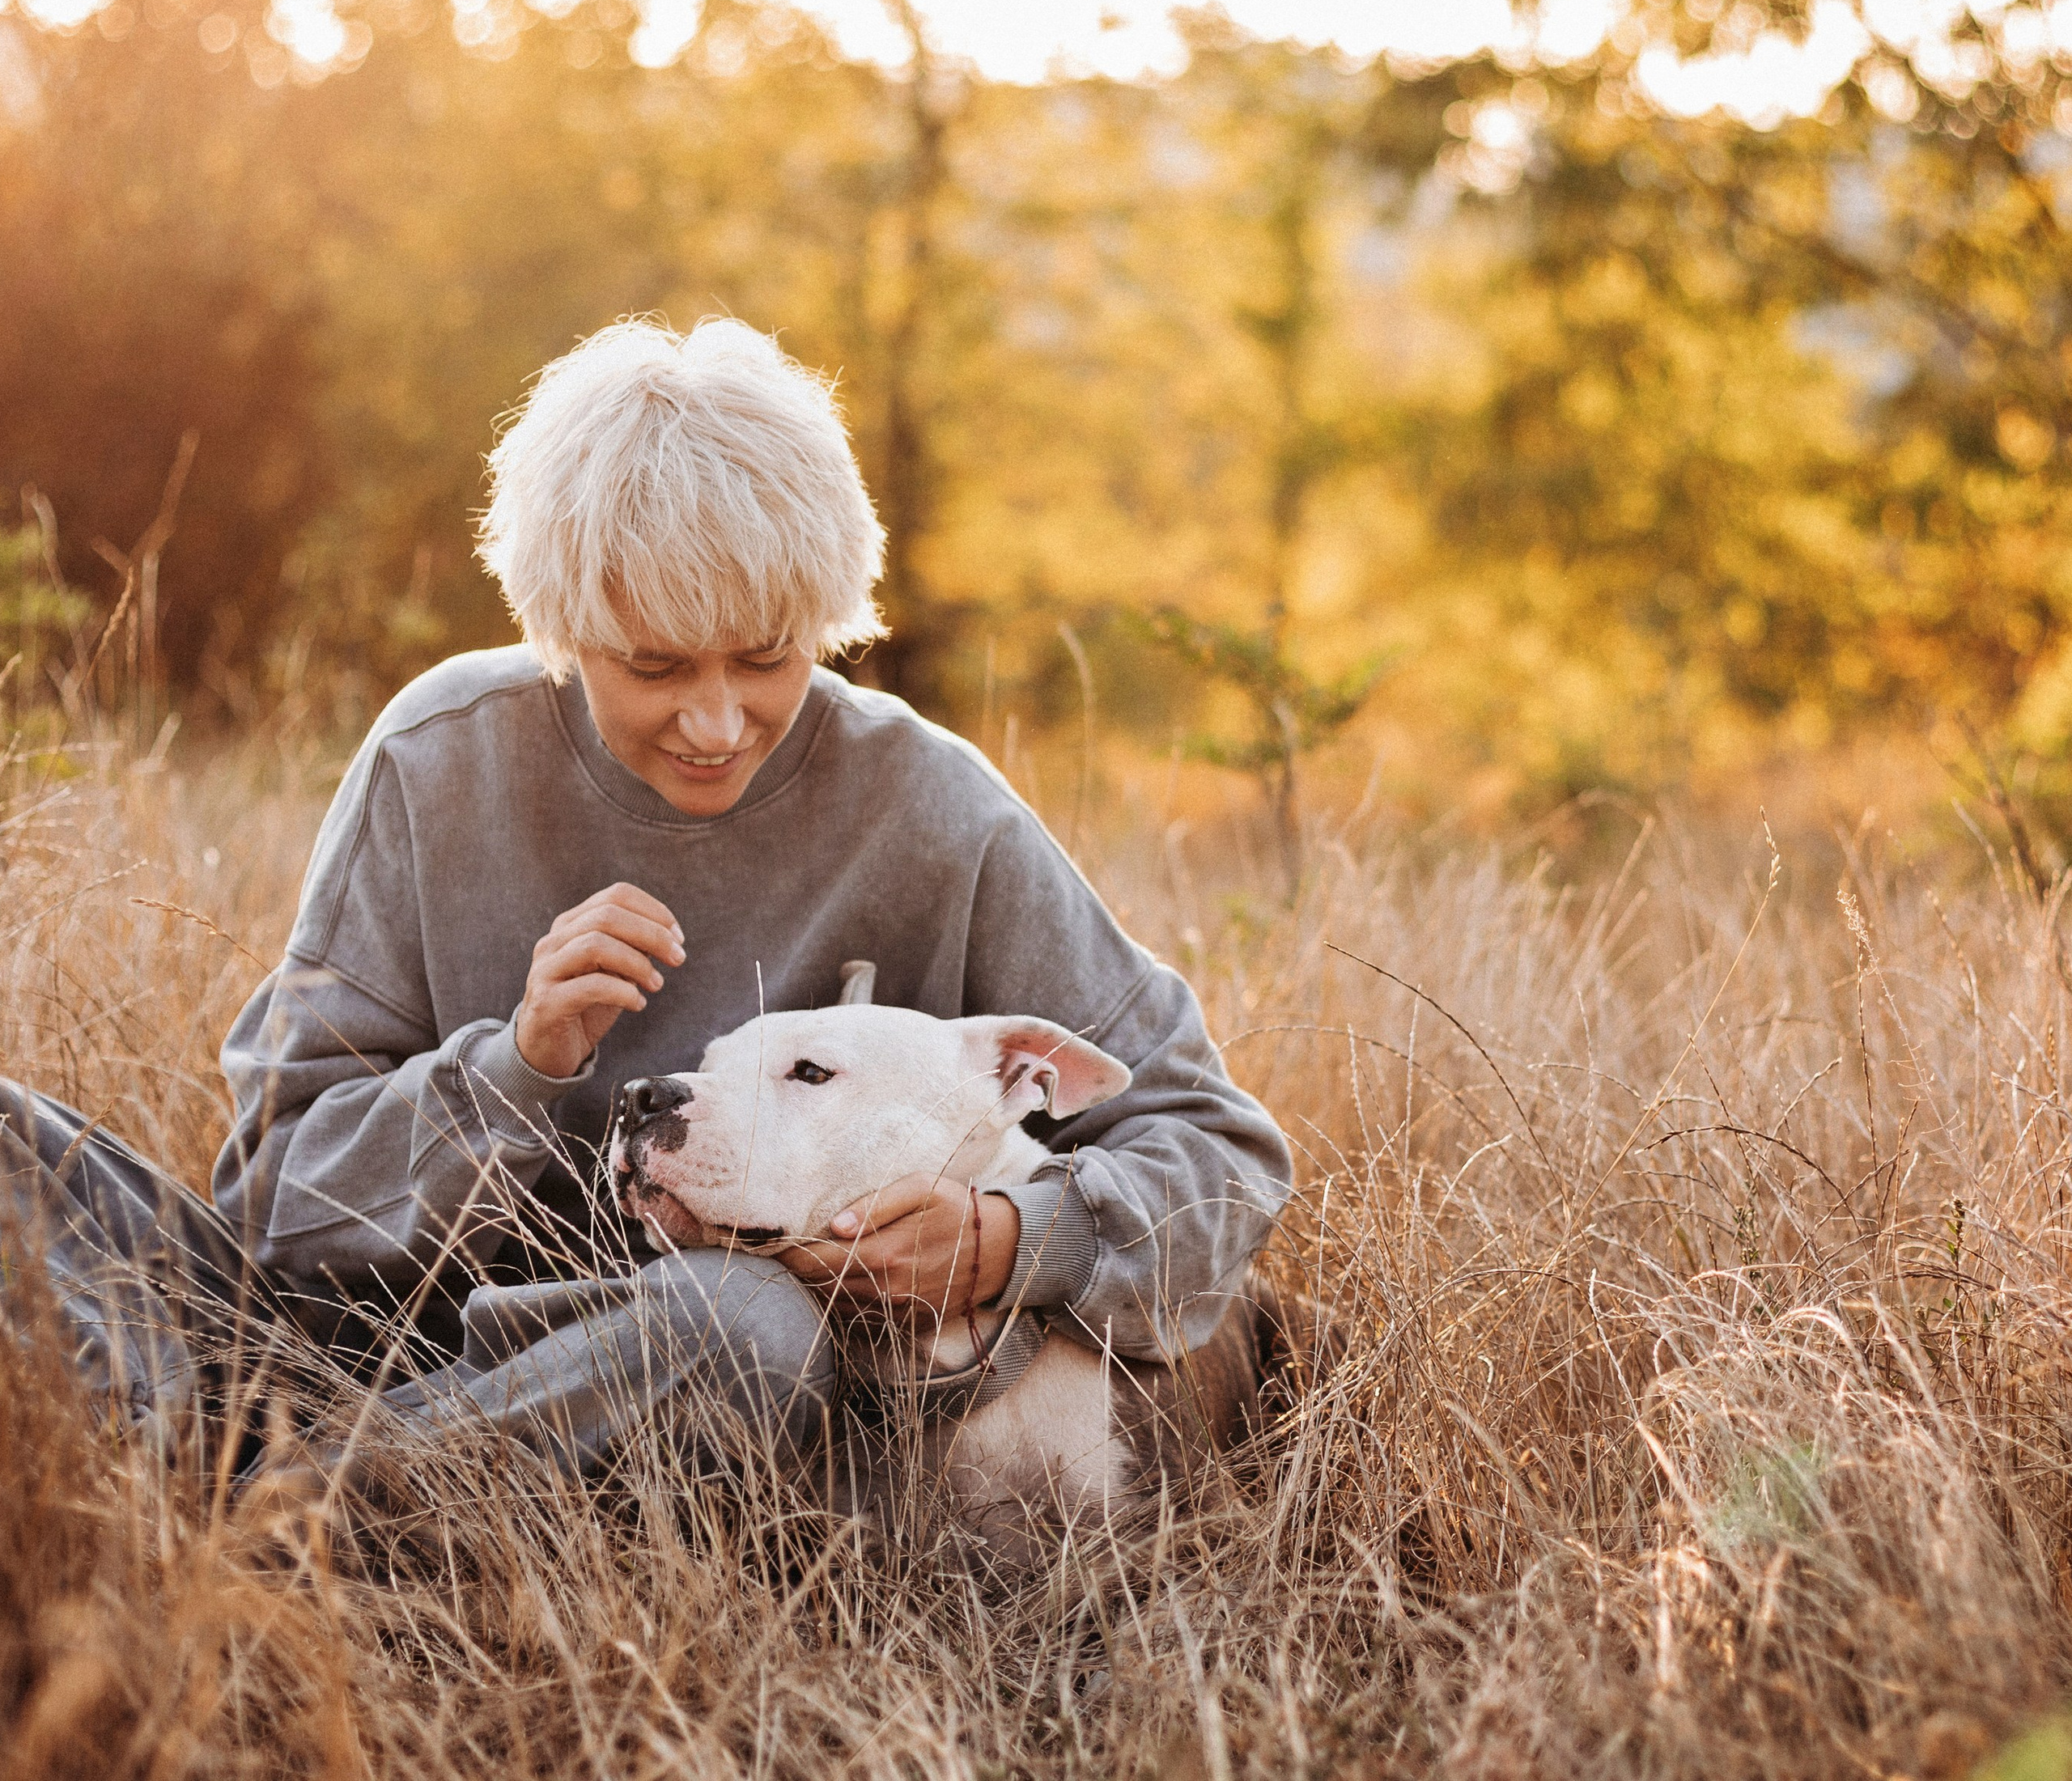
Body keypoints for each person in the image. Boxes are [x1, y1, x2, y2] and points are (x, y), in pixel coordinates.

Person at [3, 316, 1293, 1485]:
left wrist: (1008, 1240)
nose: (718, 723)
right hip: (358, 1350)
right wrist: (513, 1068)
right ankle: (237, 1471)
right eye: (657, 667)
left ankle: (263, 1517)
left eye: (768, 658)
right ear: (562, 625)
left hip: (660, 1384)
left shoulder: (934, 811)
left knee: (744, 1325)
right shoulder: (437, 758)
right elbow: (274, 1206)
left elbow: (1217, 1148)